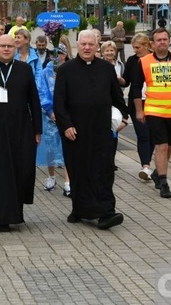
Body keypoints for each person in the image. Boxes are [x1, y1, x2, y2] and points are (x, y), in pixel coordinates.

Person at [53, 30, 129, 230]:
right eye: (83, 44)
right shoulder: (65, 70)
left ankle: (106, 213)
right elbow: (59, 103)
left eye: (91, 44)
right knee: (79, 171)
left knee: (103, 171)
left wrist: (124, 118)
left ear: (97, 46)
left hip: (102, 131)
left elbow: (117, 98)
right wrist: (66, 125)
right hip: (75, 132)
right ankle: (79, 208)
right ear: (77, 45)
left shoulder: (106, 69)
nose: (87, 48)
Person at [0, 35, 42, 232]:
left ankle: (16, 212)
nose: (6, 49)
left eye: (10, 46)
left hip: (21, 128)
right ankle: (1, 216)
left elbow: (33, 101)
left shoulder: (24, 69)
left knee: (21, 169)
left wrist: (37, 129)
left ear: (16, 47)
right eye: (2, 46)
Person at [130, 27, 171, 199]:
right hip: (153, 110)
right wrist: (139, 110)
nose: (162, 42)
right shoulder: (144, 62)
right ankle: (164, 183)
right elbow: (135, 87)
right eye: (159, 40)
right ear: (152, 43)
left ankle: (158, 172)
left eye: (165, 39)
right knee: (161, 146)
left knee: (170, 146)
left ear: (169, 41)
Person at [36, 44, 70, 196]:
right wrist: (50, 111)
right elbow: (42, 92)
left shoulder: (70, 70)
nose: (56, 57)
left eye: (60, 54)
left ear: (64, 55)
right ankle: (51, 176)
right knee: (49, 148)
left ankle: (68, 181)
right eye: (53, 54)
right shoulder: (44, 73)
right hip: (49, 117)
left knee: (68, 147)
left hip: (67, 116)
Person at [121, 33, 154, 181]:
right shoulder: (131, 61)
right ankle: (145, 166)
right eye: (134, 48)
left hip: (154, 103)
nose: (135, 50)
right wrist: (116, 77)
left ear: (147, 45)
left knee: (153, 136)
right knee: (143, 135)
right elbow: (126, 81)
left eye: (138, 47)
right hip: (136, 104)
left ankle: (150, 163)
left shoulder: (155, 60)